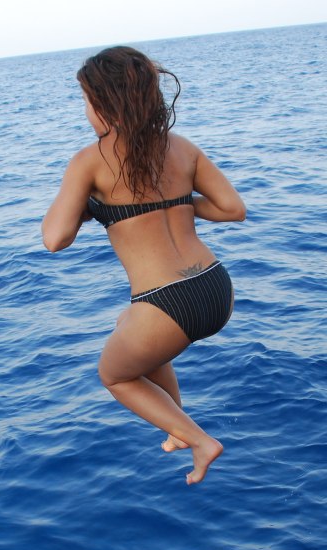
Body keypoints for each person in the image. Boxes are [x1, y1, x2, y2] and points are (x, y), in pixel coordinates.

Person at [41, 46, 246, 484]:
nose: (85, 112)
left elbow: (55, 238)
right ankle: (176, 427)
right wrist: (177, 203)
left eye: (86, 101)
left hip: (165, 300)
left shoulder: (89, 160)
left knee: (115, 375)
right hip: (216, 287)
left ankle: (199, 440)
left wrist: (89, 206)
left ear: (104, 103)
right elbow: (232, 209)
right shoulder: (182, 148)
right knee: (128, 324)